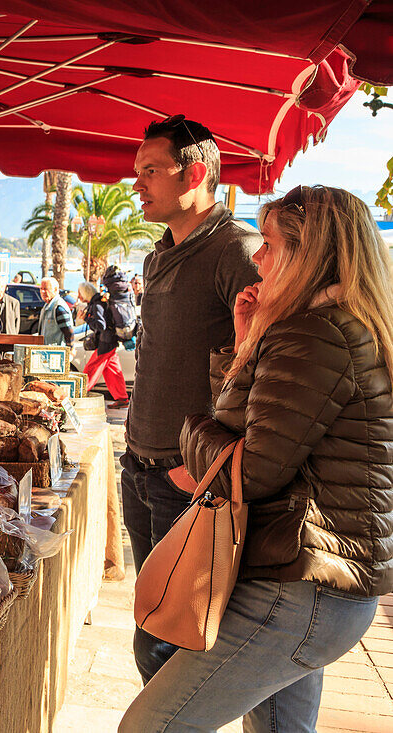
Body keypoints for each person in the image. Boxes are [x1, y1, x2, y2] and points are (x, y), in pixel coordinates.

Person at [121, 186, 393, 732]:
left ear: (307, 255)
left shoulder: (314, 335)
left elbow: (249, 470)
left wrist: (190, 435)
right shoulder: (333, 328)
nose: (257, 259)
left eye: (267, 245)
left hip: (303, 585)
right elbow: (257, 429)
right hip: (323, 581)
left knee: (153, 726)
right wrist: (247, 345)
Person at [123, 115, 261, 684]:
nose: (137, 185)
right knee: (151, 624)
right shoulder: (161, 252)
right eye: (137, 173)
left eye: (150, 171)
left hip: (186, 479)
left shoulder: (237, 249)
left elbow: (264, 363)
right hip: (139, 467)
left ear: (196, 173)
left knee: (162, 645)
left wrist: (202, 466)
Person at [81, 273, 130, 408]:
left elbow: (100, 325)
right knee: (112, 371)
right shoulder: (98, 302)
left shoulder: (96, 305)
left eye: (80, 294)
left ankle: (80, 394)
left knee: (90, 370)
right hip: (110, 341)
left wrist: (86, 318)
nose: (79, 297)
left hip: (105, 342)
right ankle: (122, 398)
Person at [37, 277, 73, 346]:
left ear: (55, 290)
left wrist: (71, 350)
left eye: (46, 289)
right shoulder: (46, 306)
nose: (42, 292)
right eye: (41, 289)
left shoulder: (59, 307)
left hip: (57, 353)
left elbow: (69, 332)